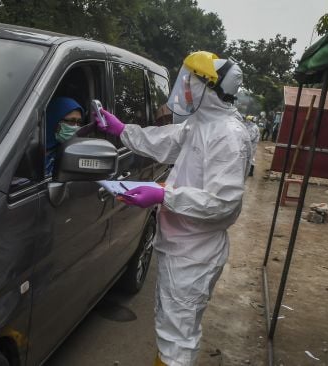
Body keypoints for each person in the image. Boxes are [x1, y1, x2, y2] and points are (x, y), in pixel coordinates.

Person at [95, 51, 251, 366]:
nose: (186, 88)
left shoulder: (228, 136)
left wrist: (163, 194)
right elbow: (163, 142)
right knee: (170, 325)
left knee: (178, 336)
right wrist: (121, 129)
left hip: (195, 253)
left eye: (191, 81)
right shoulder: (202, 124)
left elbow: (224, 204)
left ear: (208, 87)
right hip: (182, 244)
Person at [45, 97, 84, 175]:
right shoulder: (26, 148)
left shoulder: (72, 154)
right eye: (71, 121)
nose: (76, 127)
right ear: (54, 120)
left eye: (79, 122)